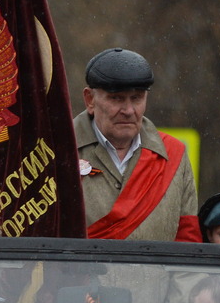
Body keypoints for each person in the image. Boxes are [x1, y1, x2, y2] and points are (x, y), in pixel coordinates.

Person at [76, 48, 201, 242]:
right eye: (116, 98)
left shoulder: (174, 155)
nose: (128, 110)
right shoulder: (58, 153)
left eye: (136, 98)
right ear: (90, 100)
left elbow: (188, 245)